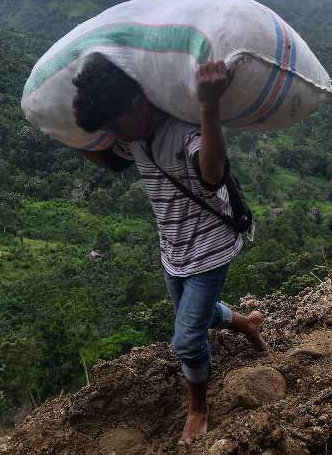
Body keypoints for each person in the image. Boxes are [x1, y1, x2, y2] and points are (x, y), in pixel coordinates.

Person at [72, 53, 268, 445]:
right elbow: (110, 160)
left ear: (138, 101)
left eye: (118, 124)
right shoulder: (134, 138)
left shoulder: (183, 129)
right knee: (197, 315)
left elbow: (213, 174)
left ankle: (198, 409)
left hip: (210, 247)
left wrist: (208, 105)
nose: (117, 134)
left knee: (187, 339)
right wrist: (62, 130)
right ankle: (246, 323)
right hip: (173, 249)